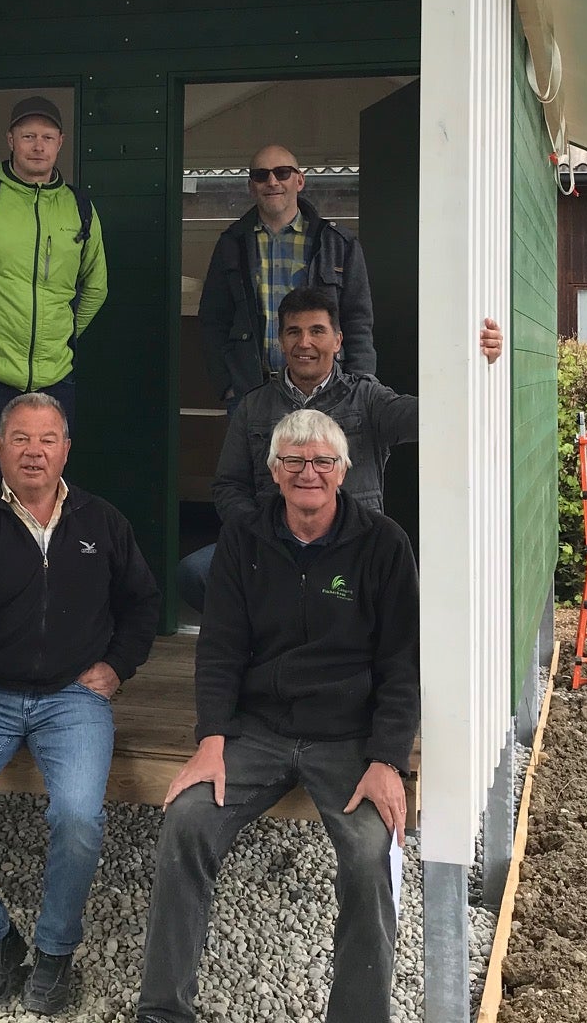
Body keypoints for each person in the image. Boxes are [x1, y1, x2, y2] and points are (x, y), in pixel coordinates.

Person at [138, 408, 417, 1023]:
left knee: (372, 852)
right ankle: (162, 1010)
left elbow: (402, 663)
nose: (308, 473)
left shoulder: (383, 544)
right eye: (294, 462)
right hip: (257, 732)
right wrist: (211, 739)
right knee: (186, 820)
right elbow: (220, 649)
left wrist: (387, 758)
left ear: (344, 471)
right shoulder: (244, 538)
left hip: (346, 738)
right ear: (273, 472)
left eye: (322, 462)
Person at [0, 393, 158, 1014]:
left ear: (66, 449)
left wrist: (116, 666)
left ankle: (54, 954)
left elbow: (143, 604)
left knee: (79, 817)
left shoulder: (102, 523)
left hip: (72, 698)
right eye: (20, 438)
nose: (34, 451)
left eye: (47, 439)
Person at [178, 285, 503, 611]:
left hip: (351, 546)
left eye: (317, 331)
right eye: (294, 332)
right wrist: (259, 534)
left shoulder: (367, 398)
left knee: (394, 599)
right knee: (196, 573)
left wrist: (478, 365)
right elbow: (229, 485)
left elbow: (436, 417)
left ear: (337, 340)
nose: (304, 343)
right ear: (281, 341)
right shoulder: (254, 406)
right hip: (272, 545)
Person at [0, 96, 108, 499]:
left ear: (60, 143)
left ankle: (41, 562)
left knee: (47, 487)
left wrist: (63, 333)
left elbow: (95, 286)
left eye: (46, 137)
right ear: (10, 140)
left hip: (56, 376)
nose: (37, 145)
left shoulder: (80, 208)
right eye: (28, 136)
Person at [197, 144, 372, 407]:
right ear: (251, 186)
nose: (272, 181)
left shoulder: (338, 244)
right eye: (261, 175)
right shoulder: (230, 245)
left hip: (327, 393)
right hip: (252, 393)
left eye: (282, 173)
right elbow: (213, 319)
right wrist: (227, 385)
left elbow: (357, 320)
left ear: (300, 180)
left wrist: (359, 384)